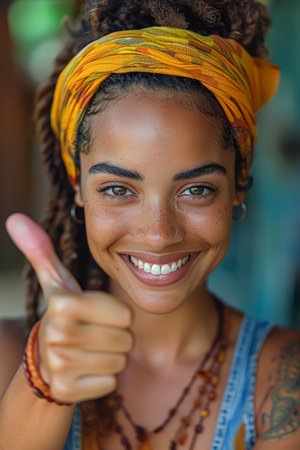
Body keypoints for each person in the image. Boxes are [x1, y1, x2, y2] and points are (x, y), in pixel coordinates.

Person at [0, 0, 299, 449]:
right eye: (119, 189)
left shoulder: (284, 379)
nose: (159, 233)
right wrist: (42, 392)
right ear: (77, 186)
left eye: (196, 189)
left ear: (237, 184)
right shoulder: (7, 362)